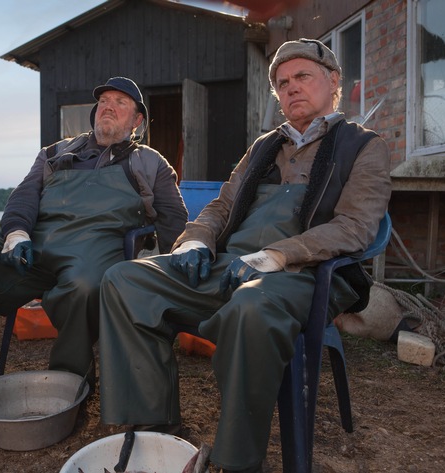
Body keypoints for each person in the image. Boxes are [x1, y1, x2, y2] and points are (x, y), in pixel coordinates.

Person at [97, 39, 392, 472]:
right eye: (282, 82)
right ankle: (155, 429)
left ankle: (236, 461)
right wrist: (196, 240)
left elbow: (355, 227)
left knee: (251, 307)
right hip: (230, 263)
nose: (290, 88)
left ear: (333, 82)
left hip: (301, 274)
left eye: (302, 77)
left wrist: (277, 255)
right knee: (123, 280)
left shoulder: (363, 146)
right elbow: (220, 206)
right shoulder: (263, 147)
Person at [0, 77, 188, 438]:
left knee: (85, 284)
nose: (108, 105)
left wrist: (174, 269)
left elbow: (174, 220)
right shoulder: (55, 152)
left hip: (94, 247)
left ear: (137, 121)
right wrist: (16, 233)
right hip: (35, 247)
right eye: (104, 99)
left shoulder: (148, 162)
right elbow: (23, 198)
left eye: (121, 102)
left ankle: (72, 384)